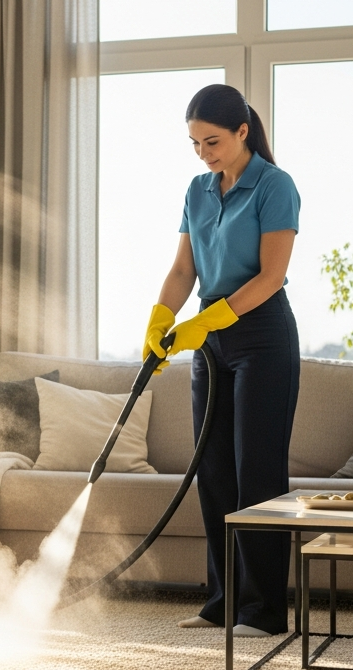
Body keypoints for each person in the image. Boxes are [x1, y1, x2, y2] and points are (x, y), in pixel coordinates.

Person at [146, 84, 300, 638]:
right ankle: (223, 603)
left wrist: (209, 320)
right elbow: (184, 270)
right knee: (213, 472)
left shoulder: (275, 186)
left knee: (256, 473)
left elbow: (270, 276)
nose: (204, 153)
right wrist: (161, 318)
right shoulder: (197, 189)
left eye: (211, 141)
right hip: (211, 339)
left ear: (242, 132)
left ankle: (263, 612)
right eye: (194, 144)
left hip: (260, 333)